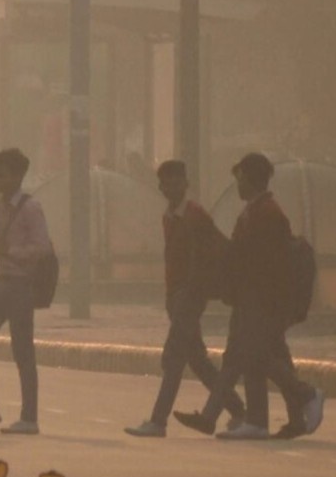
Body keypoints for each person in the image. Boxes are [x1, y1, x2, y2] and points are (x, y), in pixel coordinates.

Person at [176, 153, 325, 441]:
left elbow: (265, 263)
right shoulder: (256, 211)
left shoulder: (268, 213)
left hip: (260, 301)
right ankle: (259, 420)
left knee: (254, 356)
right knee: (253, 356)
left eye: (241, 178)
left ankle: (306, 395)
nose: (238, 185)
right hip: (249, 298)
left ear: (252, 178)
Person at [125, 159, 243, 437]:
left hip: (189, 296)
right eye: (166, 183)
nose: (171, 188)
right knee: (197, 360)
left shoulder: (195, 214)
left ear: (185, 184)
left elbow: (205, 255)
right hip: (177, 295)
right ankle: (238, 410)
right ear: (161, 187)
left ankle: (157, 421)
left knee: (173, 359)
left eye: (176, 182)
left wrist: (192, 290)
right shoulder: (169, 216)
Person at [0, 147, 52, 435]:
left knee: (23, 351)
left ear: (17, 176)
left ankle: (29, 418)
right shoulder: (1, 206)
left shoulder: (30, 208)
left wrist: (9, 251)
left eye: (1, 176)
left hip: (21, 286)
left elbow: (41, 248)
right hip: (1, 282)